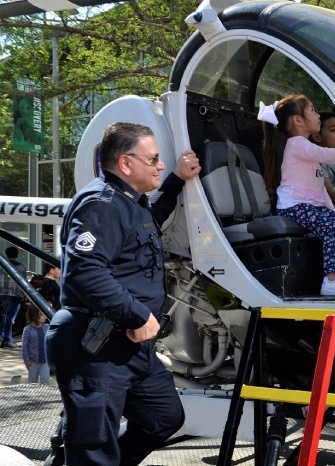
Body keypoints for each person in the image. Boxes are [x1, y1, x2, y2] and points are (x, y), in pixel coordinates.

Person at [46, 122, 201, 465]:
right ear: (126, 164)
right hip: (95, 345)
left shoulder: (129, 202)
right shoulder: (101, 204)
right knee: (93, 446)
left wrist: (175, 179)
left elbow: (147, 222)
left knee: (162, 417)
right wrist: (138, 314)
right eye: (155, 159)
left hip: (130, 347)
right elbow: (85, 271)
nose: (160, 164)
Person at [259, 94, 335, 296]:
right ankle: (331, 281)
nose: (317, 115)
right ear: (298, 120)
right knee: (332, 228)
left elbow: (321, 189)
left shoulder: (307, 151)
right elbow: (326, 154)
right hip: (293, 205)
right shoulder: (298, 144)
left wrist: (333, 213)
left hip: (308, 205)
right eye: (313, 110)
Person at [0, 246, 27, 349]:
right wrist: (24, 297)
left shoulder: (2, 266)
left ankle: (2, 338)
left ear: (6, 255)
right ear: (17, 255)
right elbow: (24, 284)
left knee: (6, 316)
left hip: (2, 295)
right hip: (15, 295)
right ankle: (7, 340)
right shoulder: (21, 267)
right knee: (10, 318)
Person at [21, 304, 49, 384]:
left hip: (45, 361)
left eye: (44, 314)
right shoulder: (27, 330)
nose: (44, 316)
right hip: (32, 362)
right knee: (32, 383)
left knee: (45, 381)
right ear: (34, 315)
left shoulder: (47, 327)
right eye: (41, 314)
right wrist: (26, 360)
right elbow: (24, 347)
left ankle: (45, 396)